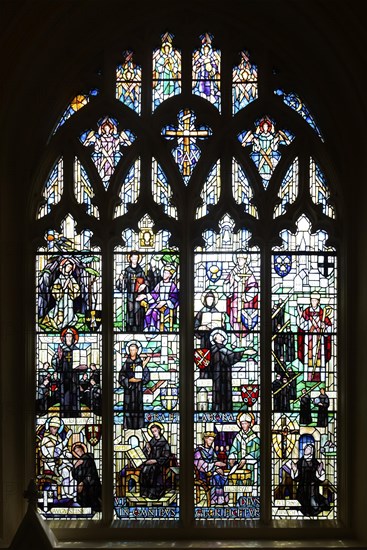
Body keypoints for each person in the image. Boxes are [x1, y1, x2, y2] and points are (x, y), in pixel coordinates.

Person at [297, 292, 332, 382]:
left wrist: (324, 327)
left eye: (315, 300)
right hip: (308, 340)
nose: (313, 302)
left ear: (318, 302)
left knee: (320, 357)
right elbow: (302, 326)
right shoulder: (306, 312)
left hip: (319, 340)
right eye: (312, 300)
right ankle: (308, 378)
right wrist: (301, 316)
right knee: (308, 358)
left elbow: (328, 328)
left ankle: (321, 378)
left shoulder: (322, 313)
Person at [39, 416, 75, 502]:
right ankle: (62, 494)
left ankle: (68, 493)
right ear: (49, 427)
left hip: (58, 462)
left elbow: (63, 450)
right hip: (49, 463)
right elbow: (55, 452)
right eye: (53, 427)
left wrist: (69, 455)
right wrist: (66, 439)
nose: (54, 430)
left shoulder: (58, 438)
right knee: (65, 471)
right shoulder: (45, 439)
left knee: (70, 470)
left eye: (56, 428)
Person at [51, 327, 85, 417]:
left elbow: (83, 365)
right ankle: (65, 415)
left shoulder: (77, 349)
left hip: (74, 378)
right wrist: (59, 357)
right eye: (67, 336)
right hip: (64, 377)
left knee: (74, 397)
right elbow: (54, 364)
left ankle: (75, 415)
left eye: (70, 336)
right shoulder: (60, 350)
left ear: (73, 338)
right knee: (65, 397)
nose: (69, 338)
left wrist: (83, 367)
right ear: (64, 338)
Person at [209, 329, 245, 411]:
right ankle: (221, 410)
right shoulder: (218, 349)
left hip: (223, 375)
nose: (222, 336)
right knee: (221, 392)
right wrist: (244, 352)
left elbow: (229, 355)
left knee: (222, 392)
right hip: (220, 375)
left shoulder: (217, 349)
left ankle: (221, 410)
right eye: (219, 335)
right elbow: (231, 355)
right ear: (215, 338)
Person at [290, 443, 330, 516]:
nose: (306, 449)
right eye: (306, 448)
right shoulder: (300, 462)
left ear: (312, 451)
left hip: (312, 488)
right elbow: (297, 478)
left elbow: (320, 478)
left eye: (308, 448)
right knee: (302, 503)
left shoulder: (315, 462)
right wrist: (295, 471)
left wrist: (319, 472)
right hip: (302, 487)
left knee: (314, 505)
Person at [137, 264, 179, 332]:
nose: (164, 274)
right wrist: (145, 296)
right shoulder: (160, 284)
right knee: (148, 313)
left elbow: (175, 298)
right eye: (164, 272)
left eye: (166, 273)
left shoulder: (172, 286)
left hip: (167, 307)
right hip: (157, 304)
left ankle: (155, 330)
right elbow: (154, 295)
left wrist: (165, 302)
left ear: (170, 275)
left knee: (154, 312)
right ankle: (148, 328)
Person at [118, 341, 150, 429]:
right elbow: (121, 377)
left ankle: (139, 427)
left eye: (133, 350)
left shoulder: (141, 363)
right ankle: (127, 426)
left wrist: (140, 379)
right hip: (128, 391)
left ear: (137, 351)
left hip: (138, 390)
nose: (132, 352)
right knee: (128, 408)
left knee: (138, 408)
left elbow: (147, 376)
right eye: (130, 350)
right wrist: (129, 380)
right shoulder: (126, 363)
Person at [225, 251, 258, 334]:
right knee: (234, 318)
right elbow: (226, 286)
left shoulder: (249, 274)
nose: (240, 261)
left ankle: (246, 342)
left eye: (242, 259)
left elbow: (254, 287)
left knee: (246, 320)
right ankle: (234, 341)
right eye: (238, 259)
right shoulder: (232, 273)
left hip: (246, 302)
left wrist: (246, 296)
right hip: (234, 301)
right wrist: (231, 283)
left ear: (246, 260)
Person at [194, 431, 228, 505]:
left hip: (211, 472)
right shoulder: (198, 451)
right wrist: (215, 465)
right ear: (205, 439)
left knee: (223, 477)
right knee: (217, 477)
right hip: (202, 475)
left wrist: (218, 468)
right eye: (210, 440)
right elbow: (202, 466)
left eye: (212, 440)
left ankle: (221, 498)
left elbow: (215, 461)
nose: (211, 442)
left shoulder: (211, 450)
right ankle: (214, 499)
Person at [116, 251, 146, 332]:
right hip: (130, 296)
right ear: (130, 258)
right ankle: (129, 330)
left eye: (136, 258)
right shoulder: (127, 271)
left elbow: (146, 282)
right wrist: (120, 279)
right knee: (130, 313)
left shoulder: (141, 271)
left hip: (138, 296)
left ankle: (139, 330)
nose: (135, 259)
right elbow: (122, 286)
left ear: (138, 259)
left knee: (138, 313)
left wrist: (144, 285)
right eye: (133, 257)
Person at [139, 423, 171, 499]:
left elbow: (166, 457)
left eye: (155, 431)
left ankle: (154, 494)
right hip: (150, 463)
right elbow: (144, 454)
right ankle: (145, 492)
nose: (154, 433)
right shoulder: (151, 442)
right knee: (144, 471)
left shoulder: (164, 443)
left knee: (152, 471)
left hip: (159, 464)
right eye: (153, 432)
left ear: (159, 430)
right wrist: (148, 451)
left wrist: (155, 461)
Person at [228, 412, 260, 485]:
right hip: (239, 466)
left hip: (251, 467)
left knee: (251, 484)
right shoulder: (238, 437)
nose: (243, 426)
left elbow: (258, 452)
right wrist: (232, 457)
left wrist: (246, 459)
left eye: (245, 423)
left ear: (249, 424)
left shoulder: (255, 439)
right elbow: (234, 449)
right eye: (242, 424)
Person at [71, 442, 102, 512]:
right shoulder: (79, 461)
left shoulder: (87, 457)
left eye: (79, 450)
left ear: (83, 450)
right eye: (76, 452)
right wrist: (75, 466)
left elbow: (88, 473)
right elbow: (74, 475)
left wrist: (82, 482)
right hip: (84, 485)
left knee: (93, 501)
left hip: (91, 484)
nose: (79, 453)